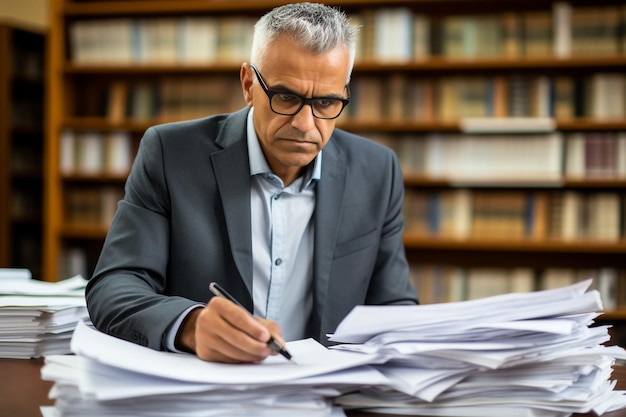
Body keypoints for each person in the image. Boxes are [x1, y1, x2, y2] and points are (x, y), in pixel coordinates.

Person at [86, 2, 418, 364]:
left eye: (326, 102)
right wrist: (190, 326)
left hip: (324, 393)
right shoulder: (171, 154)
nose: (305, 124)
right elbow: (113, 287)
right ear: (248, 84)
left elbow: (394, 307)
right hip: (204, 387)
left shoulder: (377, 170)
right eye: (286, 97)